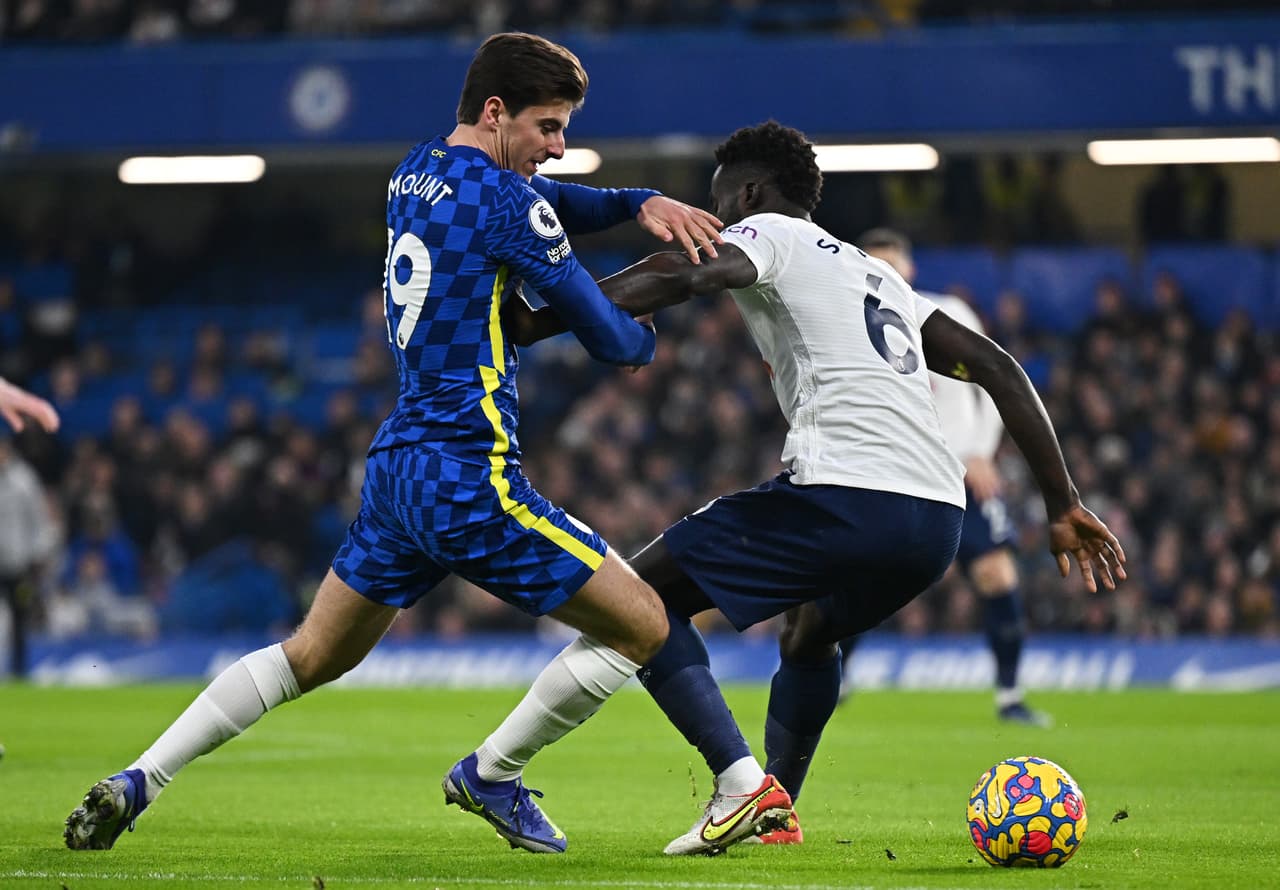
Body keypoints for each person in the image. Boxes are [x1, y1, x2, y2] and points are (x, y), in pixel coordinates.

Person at [65, 31, 726, 855]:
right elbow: (617, 346)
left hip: (397, 471)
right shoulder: (510, 204)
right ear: (495, 112)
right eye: (548, 128)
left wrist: (632, 202)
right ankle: (496, 774)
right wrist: (660, 307)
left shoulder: (412, 172)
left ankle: (139, 778)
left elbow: (548, 205)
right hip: (466, 471)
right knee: (646, 625)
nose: (559, 148)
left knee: (309, 655)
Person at [503, 120, 1125, 855]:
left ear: (755, 193)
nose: (718, 222)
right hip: (934, 521)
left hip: (847, 495)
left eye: (722, 205)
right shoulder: (875, 273)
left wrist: (541, 322)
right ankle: (777, 812)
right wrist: (1063, 502)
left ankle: (719, 787)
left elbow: (689, 270)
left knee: (634, 597)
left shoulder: (774, 233)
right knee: (807, 635)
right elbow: (998, 367)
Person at [838, 226, 1051, 729]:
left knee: (997, 573)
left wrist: (980, 450)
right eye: (877, 263)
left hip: (959, 470)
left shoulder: (947, 312)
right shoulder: (847, 319)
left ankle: (1010, 696)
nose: (888, 271)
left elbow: (993, 380)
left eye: (894, 263)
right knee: (862, 578)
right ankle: (835, 674)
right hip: (893, 472)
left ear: (910, 269)